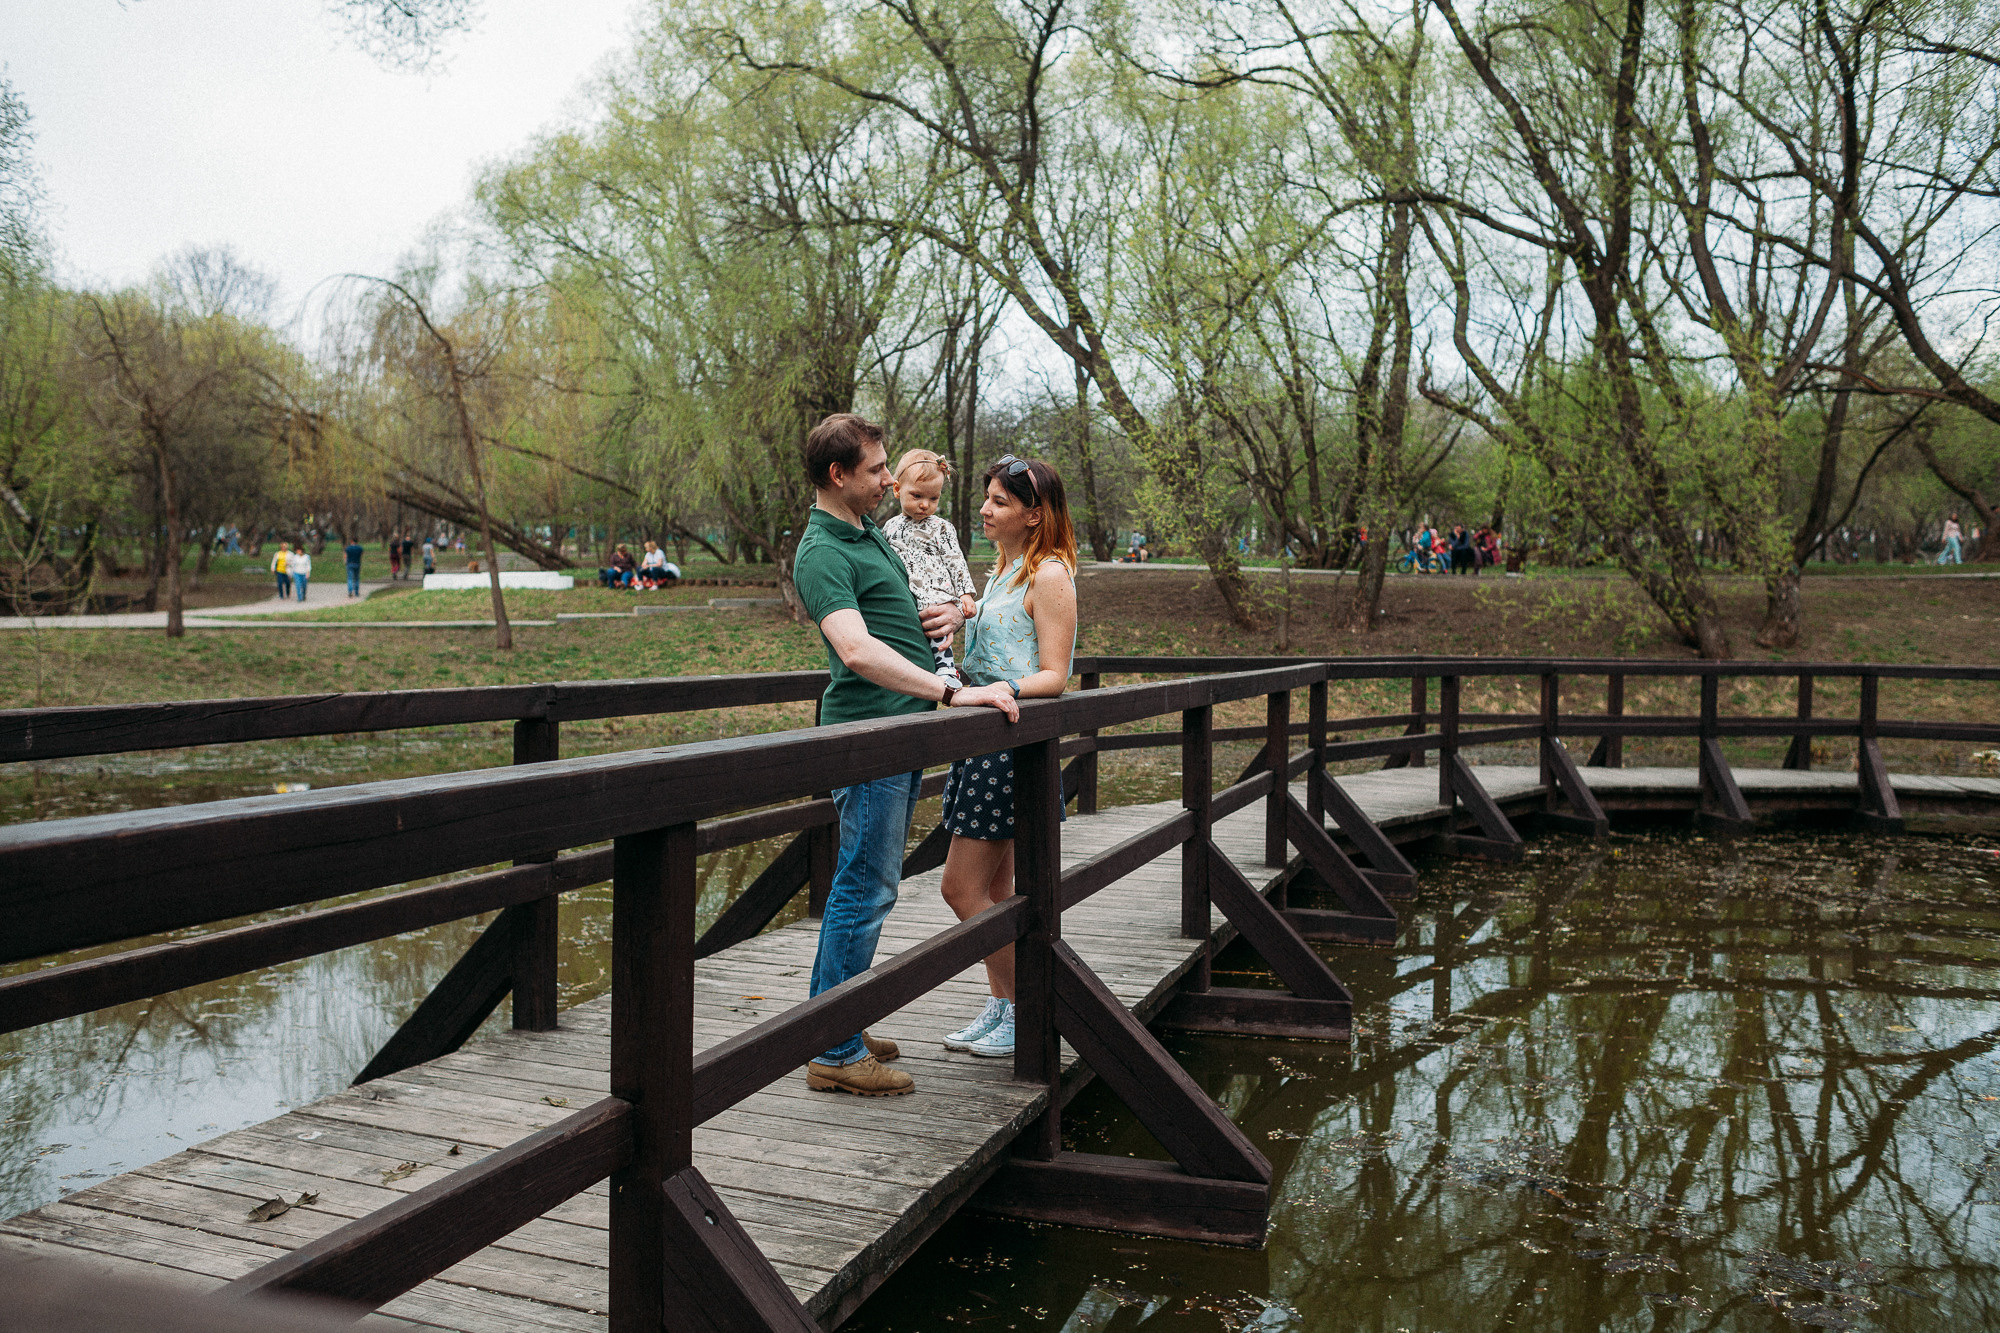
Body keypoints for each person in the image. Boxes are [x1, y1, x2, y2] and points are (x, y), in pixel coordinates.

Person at [791, 412, 1019, 1097]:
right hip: (870, 736)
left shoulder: (865, 532)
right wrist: (948, 690)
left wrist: (956, 616)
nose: (889, 478)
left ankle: (834, 1022)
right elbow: (856, 650)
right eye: (875, 469)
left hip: (900, 729)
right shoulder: (822, 550)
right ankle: (834, 1047)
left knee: (862, 884)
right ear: (838, 474)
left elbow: (915, 607)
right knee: (865, 887)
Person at [936, 455, 1079, 1058]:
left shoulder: (1049, 575)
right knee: (996, 894)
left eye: (998, 501)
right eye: (987, 498)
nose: (985, 510)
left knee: (959, 889)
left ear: (1033, 513)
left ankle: (1031, 1005)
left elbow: (1056, 675)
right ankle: (1004, 1011)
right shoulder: (1004, 569)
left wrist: (1003, 690)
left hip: (1011, 745)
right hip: (984, 738)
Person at [881, 449, 977, 686]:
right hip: (906, 593)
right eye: (916, 496)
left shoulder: (941, 528)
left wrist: (965, 593)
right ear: (896, 490)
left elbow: (955, 560)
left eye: (933, 499)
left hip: (935, 591)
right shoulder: (889, 527)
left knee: (938, 632)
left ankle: (946, 668)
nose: (924, 505)